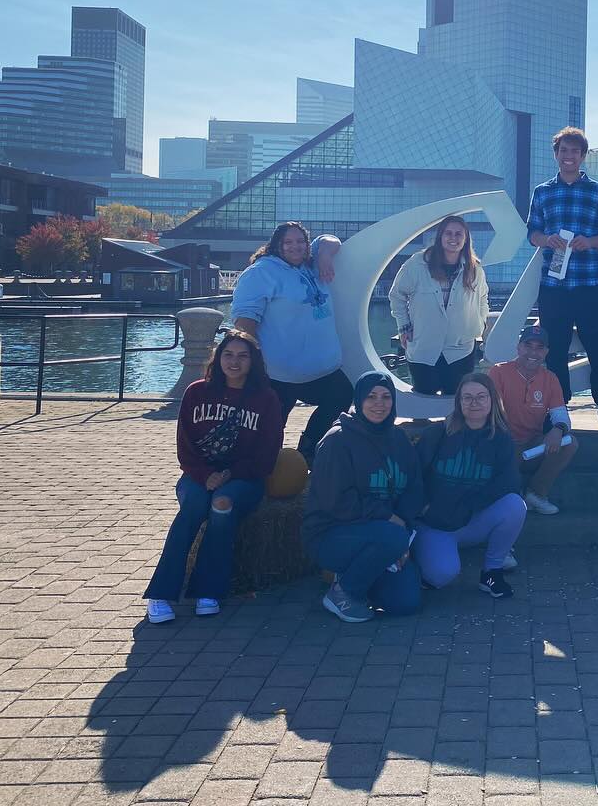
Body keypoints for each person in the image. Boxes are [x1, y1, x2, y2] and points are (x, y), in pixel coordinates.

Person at [145, 330, 282, 624]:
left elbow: (267, 454)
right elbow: (185, 446)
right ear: (218, 358)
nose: (234, 362)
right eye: (228, 355)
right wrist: (205, 475)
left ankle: (209, 591)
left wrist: (229, 474)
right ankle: (161, 593)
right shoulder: (196, 392)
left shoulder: (266, 399)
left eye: (242, 356)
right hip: (198, 475)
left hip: (244, 479)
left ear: (253, 361)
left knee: (221, 505)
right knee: (193, 507)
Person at [303, 371, 426, 623]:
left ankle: (363, 576)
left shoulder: (399, 439)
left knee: (405, 603)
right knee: (392, 537)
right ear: (358, 400)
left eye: (385, 396)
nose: (378, 403)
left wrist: (405, 529)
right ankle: (343, 592)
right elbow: (336, 502)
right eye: (370, 396)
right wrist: (392, 524)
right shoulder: (337, 441)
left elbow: (414, 487)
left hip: (385, 533)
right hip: (334, 533)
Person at [231, 220, 352, 466]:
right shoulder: (262, 272)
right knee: (271, 425)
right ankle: (256, 468)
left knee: (342, 395)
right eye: (288, 242)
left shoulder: (311, 263)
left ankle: (307, 449)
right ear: (276, 245)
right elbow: (245, 321)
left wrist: (326, 255)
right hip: (279, 373)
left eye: (300, 241)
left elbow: (331, 240)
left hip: (321, 370)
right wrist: (249, 364)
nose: (295, 246)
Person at [527, 127, 598, 435]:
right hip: (555, 287)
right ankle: (559, 412)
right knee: (554, 353)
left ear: (583, 156)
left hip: (592, 284)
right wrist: (547, 239)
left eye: (574, 152)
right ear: (556, 155)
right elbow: (532, 234)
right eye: (563, 151)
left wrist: (590, 242)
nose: (568, 156)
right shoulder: (542, 192)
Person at [413, 373, 526, 598]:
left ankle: (492, 572)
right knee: (441, 576)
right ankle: (422, 554)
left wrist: (467, 506)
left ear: (492, 400)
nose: (474, 403)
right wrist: (425, 507)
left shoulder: (501, 438)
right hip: (435, 523)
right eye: (467, 398)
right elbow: (413, 475)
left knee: (515, 505)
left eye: (481, 397)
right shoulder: (438, 433)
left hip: (469, 520)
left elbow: (508, 483)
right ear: (459, 402)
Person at [389, 215, 490, 395]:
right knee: (422, 398)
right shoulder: (418, 263)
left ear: (466, 238)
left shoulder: (475, 269)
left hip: (460, 350)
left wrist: (479, 324)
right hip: (423, 347)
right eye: (448, 233)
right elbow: (397, 295)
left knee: (456, 402)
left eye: (459, 234)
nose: (453, 238)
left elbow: (482, 298)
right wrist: (404, 326)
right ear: (440, 236)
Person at [487, 324, 579, 516]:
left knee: (570, 443)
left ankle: (536, 493)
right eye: (528, 346)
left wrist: (558, 429)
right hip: (500, 445)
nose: (533, 353)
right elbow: (489, 413)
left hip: (531, 446)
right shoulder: (498, 372)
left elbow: (560, 414)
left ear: (546, 352)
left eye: (539, 348)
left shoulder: (551, 378)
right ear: (518, 347)